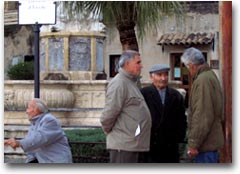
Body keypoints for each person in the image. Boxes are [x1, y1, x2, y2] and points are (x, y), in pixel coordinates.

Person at [100, 50, 152, 163]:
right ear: (127, 64)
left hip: (133, 146)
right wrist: (110, 131)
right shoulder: (119, 83)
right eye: (138, 62)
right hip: (124, 148)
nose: (141, 66)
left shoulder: (131, 82)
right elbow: (109, 113)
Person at [181, 47, 224, 163]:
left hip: (206, 146)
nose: (188, 71)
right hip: (209, 144)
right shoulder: (209, 76)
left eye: (187, 67)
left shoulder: (202, 80)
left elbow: (202, 116)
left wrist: (193, 144)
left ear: (192, 65)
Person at [141, 64, 187, 163]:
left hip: (170, 148)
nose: (163, 78)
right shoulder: (143, 94)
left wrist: (178, 137)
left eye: (166, 75)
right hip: (150, 147)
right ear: (151, 77)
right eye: (159, 75)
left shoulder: (176, 95)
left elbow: (182, 120)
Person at [4, 98, 72, 163]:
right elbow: (32, 147)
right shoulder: (34, 123)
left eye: (28, 108)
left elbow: (39, 138)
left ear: (36, 110)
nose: (26, 111)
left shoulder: (49, 120)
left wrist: (19, 143)